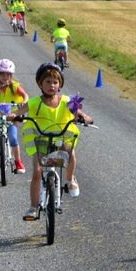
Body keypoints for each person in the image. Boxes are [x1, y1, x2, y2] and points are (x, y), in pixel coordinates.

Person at [13, 63, 93, 221]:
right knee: (37, 171)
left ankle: (70, 180)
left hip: (61, 138)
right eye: (47, 82)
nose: (51, 85)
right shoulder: (35, 102)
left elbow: (79, 113)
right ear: (40, 84)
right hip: (40, 140)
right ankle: (33, 207)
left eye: (55, 82)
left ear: (60, 85)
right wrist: (12, 115)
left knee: (71, 153)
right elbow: (19, 112)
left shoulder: (67, 101)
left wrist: (85, 117)